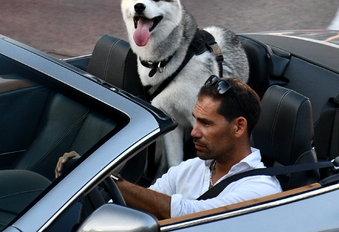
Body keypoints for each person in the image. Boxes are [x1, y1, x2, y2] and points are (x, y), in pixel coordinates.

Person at [105, 76, 282, 220]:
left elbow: (193, 216)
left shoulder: (262, 189)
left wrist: (110, 179)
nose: (194, 132)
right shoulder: (191, 168)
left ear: (238, 127)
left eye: (206, 123)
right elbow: (139, 203)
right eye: (196, 120)